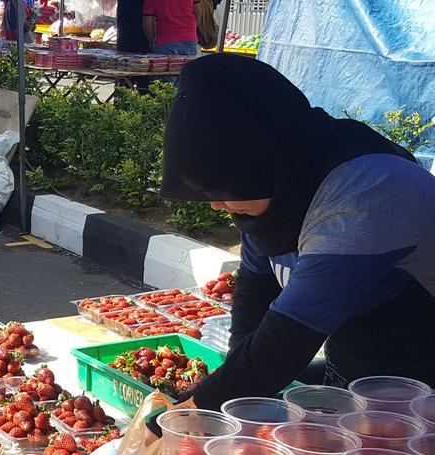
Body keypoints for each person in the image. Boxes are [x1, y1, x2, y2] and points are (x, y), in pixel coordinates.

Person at [160, 54, 435, 408]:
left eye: (225, 189)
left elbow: (284, 343)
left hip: (423, 381)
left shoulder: (367, 193)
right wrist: (235, 374)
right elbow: (256, 285)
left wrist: (180, 419)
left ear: (261, 158)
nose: (217, 205)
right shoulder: (278, 188)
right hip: (360, 365)